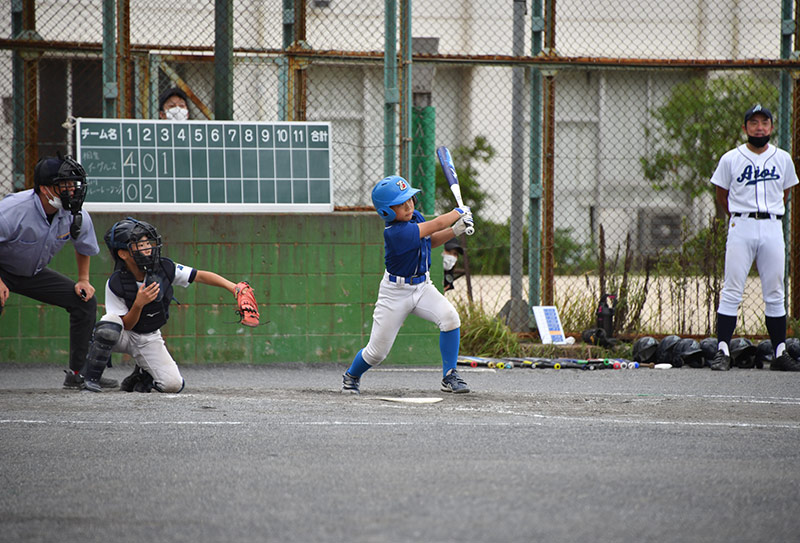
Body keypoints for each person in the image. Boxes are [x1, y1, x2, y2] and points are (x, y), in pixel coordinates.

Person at [79, 217, 249, 392]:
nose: (148, 248)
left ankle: (143, 373)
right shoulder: (116, 283)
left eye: (147, 243)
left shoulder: (165, 268)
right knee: (109, 325)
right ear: (123, 254)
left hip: (148, 337)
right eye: (140, 245)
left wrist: (233, 287)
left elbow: (200, 275)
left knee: (173, 385)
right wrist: (138, 304)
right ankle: (90, 378)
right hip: (124, 335)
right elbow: (127, 324)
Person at [341, 175, 474, 394]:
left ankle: (450, 375)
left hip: (423, 286)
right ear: (386, 211)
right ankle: (352, 375)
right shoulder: (395, 233)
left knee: (450, 318)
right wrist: (457, 213)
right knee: (377, 353)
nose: (409, 205)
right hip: (395, 293)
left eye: (410, 200)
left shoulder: (415, 218)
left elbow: (429, 241)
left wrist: (455, 230)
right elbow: (437, 224)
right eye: (401, 204)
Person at [0, 156, 117, 389]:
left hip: (33, 272)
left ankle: (78, 374)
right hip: (3, 269)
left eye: (74, 185)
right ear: (45, 189)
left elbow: (84, 245)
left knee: (84, 301)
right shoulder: (12, 210)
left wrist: (83, 280)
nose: (72, 191)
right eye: (65, 185)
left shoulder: (75, 213)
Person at [710, 104, 800, 372]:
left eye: (764, 122)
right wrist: (739, 215)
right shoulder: (730, 158)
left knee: (774, 291)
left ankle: (780, 352)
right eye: (754, 123)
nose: (759, 127)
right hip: (742, 224)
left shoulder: (783, 158)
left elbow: (785, 194)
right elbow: (721, 195)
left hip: (772, 225)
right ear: (745, 127)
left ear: (771, 127)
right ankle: (722, 350)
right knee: (732, 289)